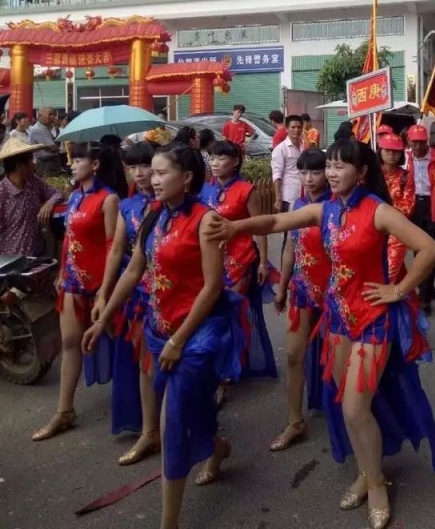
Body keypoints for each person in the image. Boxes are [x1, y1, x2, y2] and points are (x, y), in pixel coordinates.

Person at [206, 139, 435, 528]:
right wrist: (235, 227)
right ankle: (366, 472)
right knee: (345, 404)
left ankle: (378, 483)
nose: (331, 173)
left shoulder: (377, 211)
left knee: (354, 408)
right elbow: (276, 223)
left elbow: (429, 248)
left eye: (339, 167)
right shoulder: (326, 209)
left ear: (361, 172)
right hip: (337, 318)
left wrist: (398, 291)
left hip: (372, 321)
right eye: (328, 166)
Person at [82, 143, 243, 529]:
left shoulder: (206, 220)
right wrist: (103, 319)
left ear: (186, 178)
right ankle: (217, 446)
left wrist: (178, 341)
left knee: (173, 420)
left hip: (198, 333)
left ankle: (168, 523)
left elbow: (212, 288)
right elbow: (135, 270)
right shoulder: (154, 216)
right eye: (150, 173)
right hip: (160, 327)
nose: (152, 180)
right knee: (193, 406)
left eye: (160, 173)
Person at [32, 141, 127, 441]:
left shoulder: (108, 199)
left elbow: (114, 245)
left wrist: (106, 289)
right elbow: (69, 239)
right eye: (71, 160)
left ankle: (147, 409)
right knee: (70, 343)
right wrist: (62, 272)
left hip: (101, 283)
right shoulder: (74, 197)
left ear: (95, 165)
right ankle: (64, 411)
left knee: (126, 344)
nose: (71, 164)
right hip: (73, 282)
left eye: (78, 160)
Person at [92, 141, 160, 465]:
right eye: (132, 167)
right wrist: (104, 292)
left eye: (145, 165)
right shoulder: (129, 207)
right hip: (136, 296)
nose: (140, 173)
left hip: (172, 297)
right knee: (144, 363)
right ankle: (150, 431)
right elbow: (117, 251)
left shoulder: (176, 206)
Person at [201, 141, 276, 381]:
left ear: (234, 162)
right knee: (213, 314)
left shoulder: (246, 190)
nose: (215, 163)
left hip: (241, 262)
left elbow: (260, 227)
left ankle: (230, 368)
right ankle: (221, 364)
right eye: (211, 158)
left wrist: (263, 262)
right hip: (210, 262)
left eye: (221, 158)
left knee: (232, 313)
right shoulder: (204, 191)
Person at [271, 149, 330, 452]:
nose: (308, 179)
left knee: (338, 362)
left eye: (315, 172)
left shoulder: (336, 206)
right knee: (294, 355)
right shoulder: (297, 204)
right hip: (302, 290)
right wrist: (282, 286)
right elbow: (289, 249)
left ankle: (349, 420)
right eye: (303, 173)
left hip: (335, 295)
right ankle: (295, 422)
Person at [406, 124, 435, 314]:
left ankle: (424, 297)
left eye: (420, 142)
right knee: (418, 251)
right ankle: (426, 288)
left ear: (426, 141)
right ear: (408, 141)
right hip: (413, 207)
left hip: (434, 206)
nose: (417, 147)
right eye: (413, 142)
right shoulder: (405, 158)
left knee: (431, 251)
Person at [0, 138, 64, 256]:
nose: (34, 163)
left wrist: (48, 203)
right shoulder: (2, 192)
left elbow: (57, 193)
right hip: (11, 261)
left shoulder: (33, 181)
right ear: (19, 165)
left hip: (36, 256)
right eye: (31, 159)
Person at [378, 132, 415, 282]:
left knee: (390, 272)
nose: (392, 155)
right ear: (380, 151)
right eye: (388, 150)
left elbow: (408, 206)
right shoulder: (372, 174)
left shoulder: (406, 176)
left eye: (396, 151)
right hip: (373, 229)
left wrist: (385, 215)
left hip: (396, 231)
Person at [272, 114, 303, 215]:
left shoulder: (304, 145)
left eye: (299, 127)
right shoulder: (281, 149)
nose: (296, 130)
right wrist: (278, 198)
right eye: (293, 127)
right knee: (289, 227)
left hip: (304, 194)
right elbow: (277, 174)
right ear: (286, 129)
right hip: (289, 195)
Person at [29, 107, 62, 176]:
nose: (53, 117)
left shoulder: (46, 127)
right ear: (40, 115)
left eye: (53, 115)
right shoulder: (37, 129)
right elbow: (53, 147)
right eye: (50, 114)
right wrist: (56, 148)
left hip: (52, 161)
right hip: (45, 163)